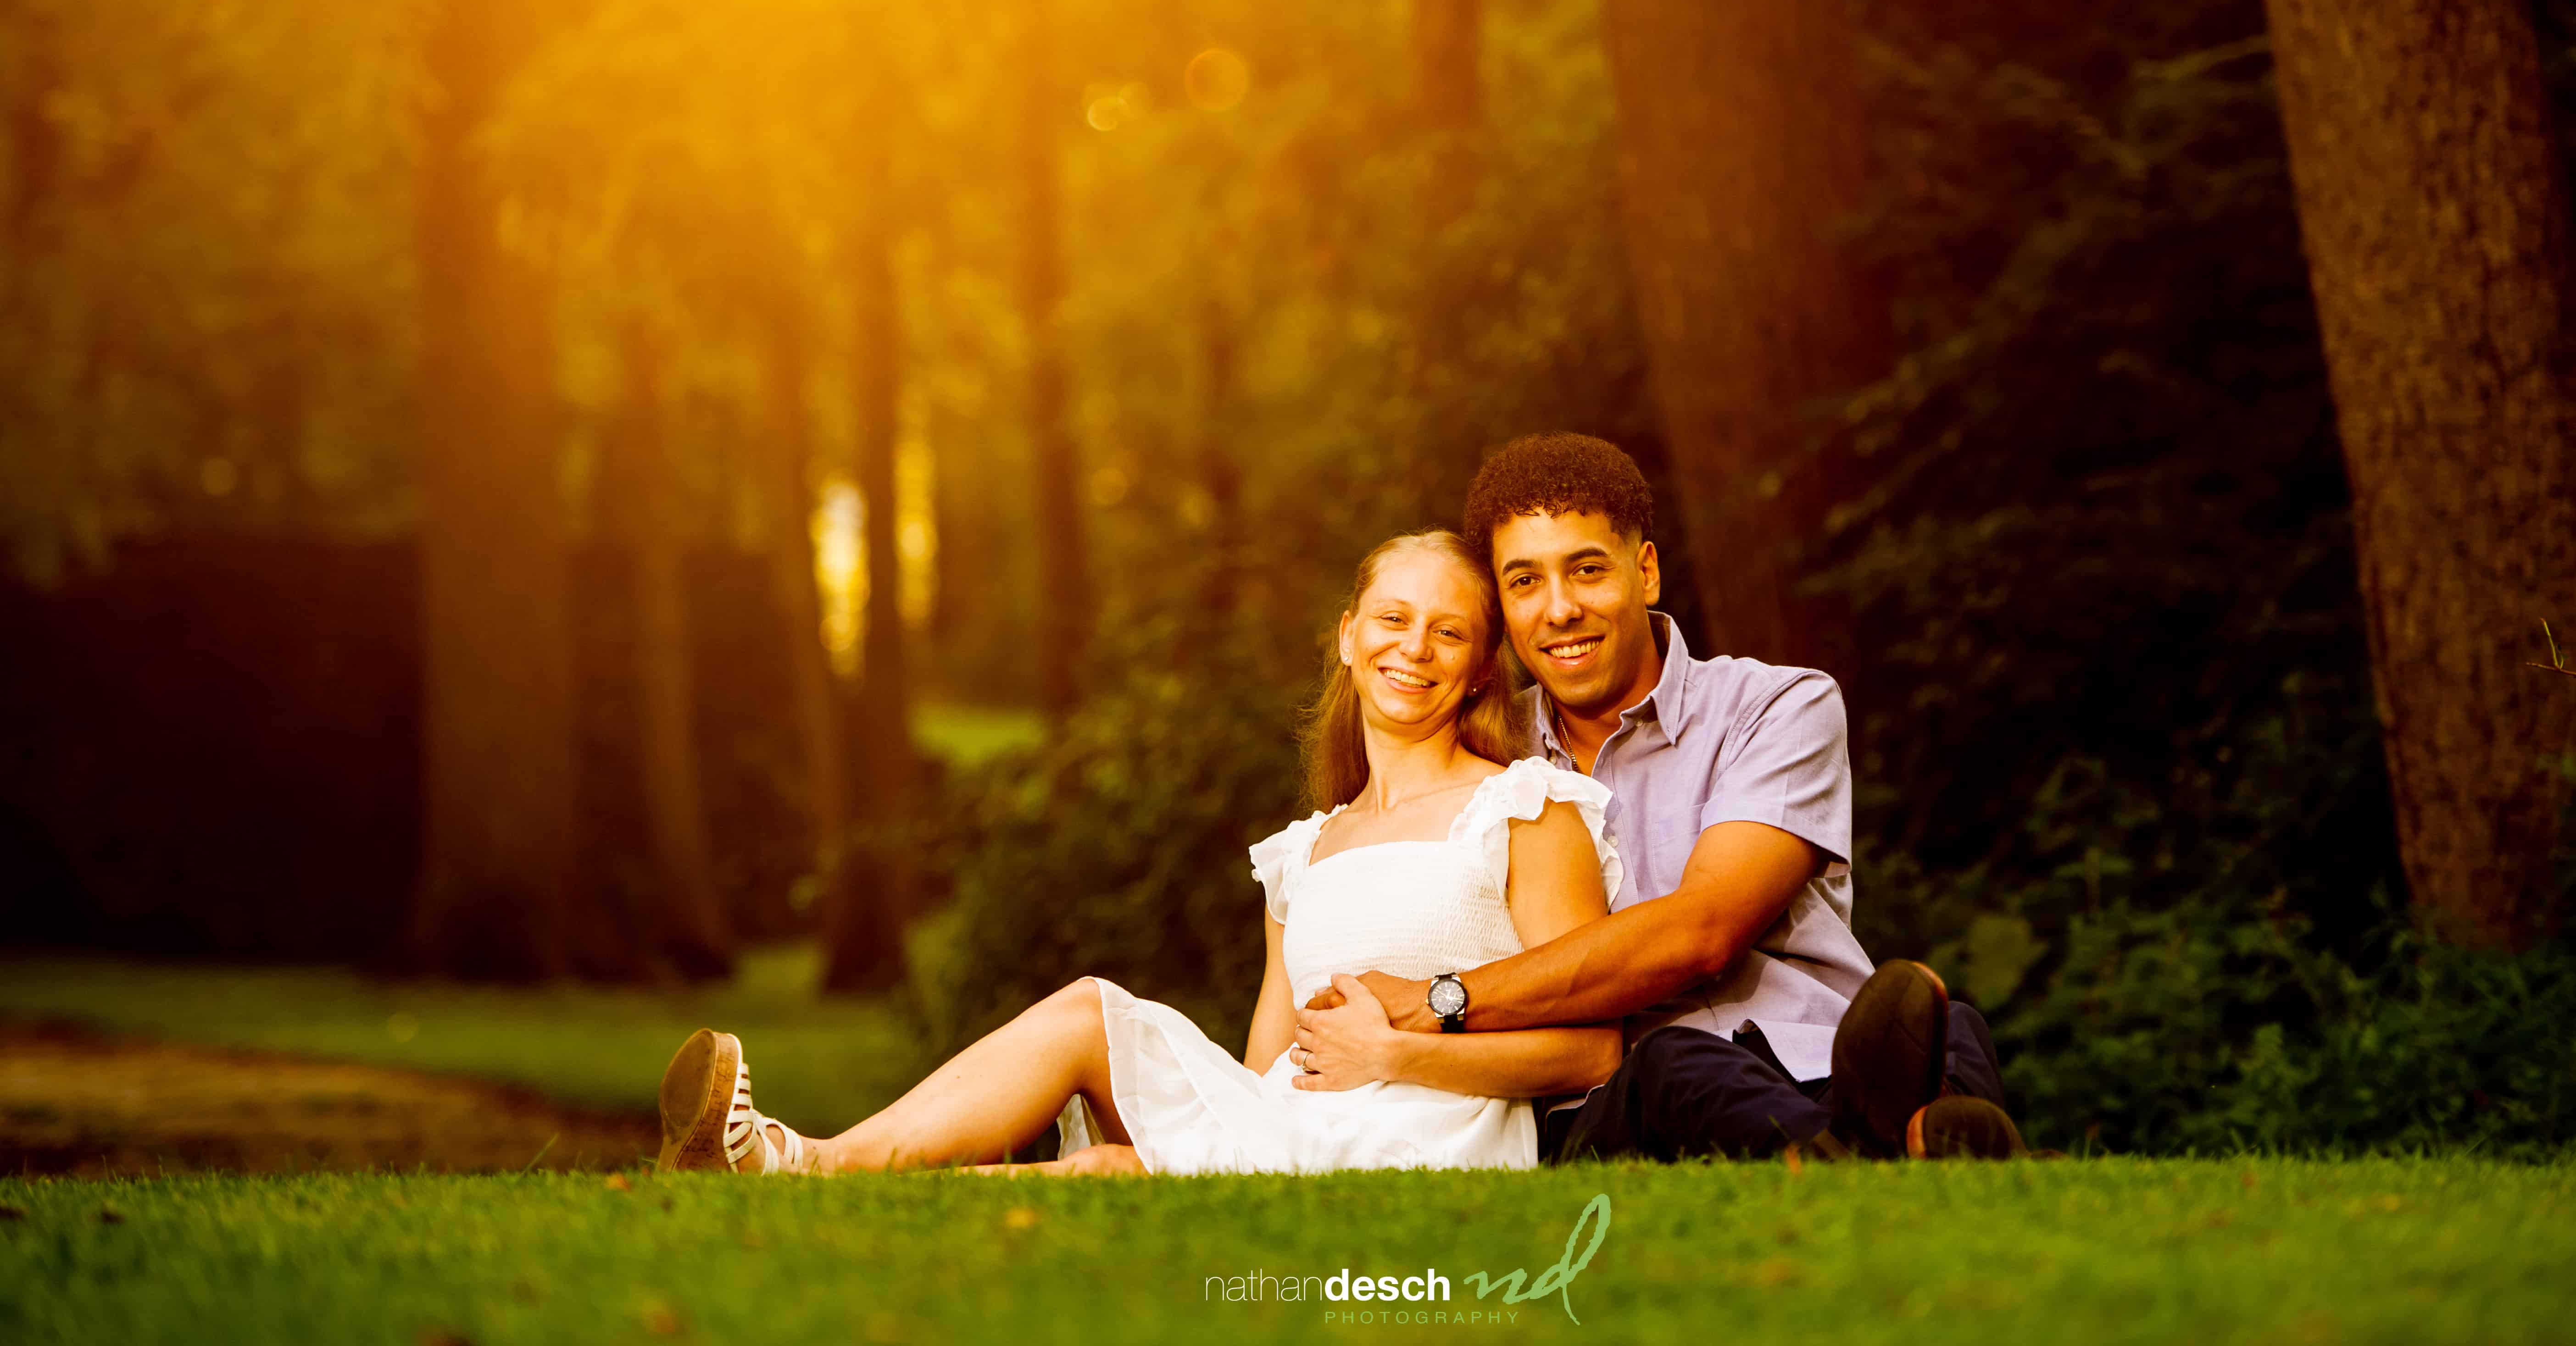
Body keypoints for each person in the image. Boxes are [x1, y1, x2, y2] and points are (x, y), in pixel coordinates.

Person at [655, 529, 1624, 1177]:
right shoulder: (1304, 853)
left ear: (1477, 666)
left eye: (1448, 631)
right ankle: (803, 1170)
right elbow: (1264, 1072)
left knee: (1095, 1057)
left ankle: (801, 1165)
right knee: (1103, 1129)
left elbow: (1592, 1049)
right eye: (1392, 620)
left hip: (1419, 1145)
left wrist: (1398, 1053)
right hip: (1295, 1130)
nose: (1414, 648)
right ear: (1347, 637)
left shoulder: (1524, 809)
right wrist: (1209, 1123)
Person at [1301, 434, 2026, 1162]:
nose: (1558, 610)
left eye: (1586, 571)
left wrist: (1439, 999)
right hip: (1629, 1097)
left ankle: (1885, 1143)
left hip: (1824, 1063)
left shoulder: (1775, 707)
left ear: (1644, 570)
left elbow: (1704, 930)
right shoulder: (1489, 761)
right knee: (1674, 1060)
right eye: (1524, 583)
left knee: (1953, 1024)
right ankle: (1903, 1153)